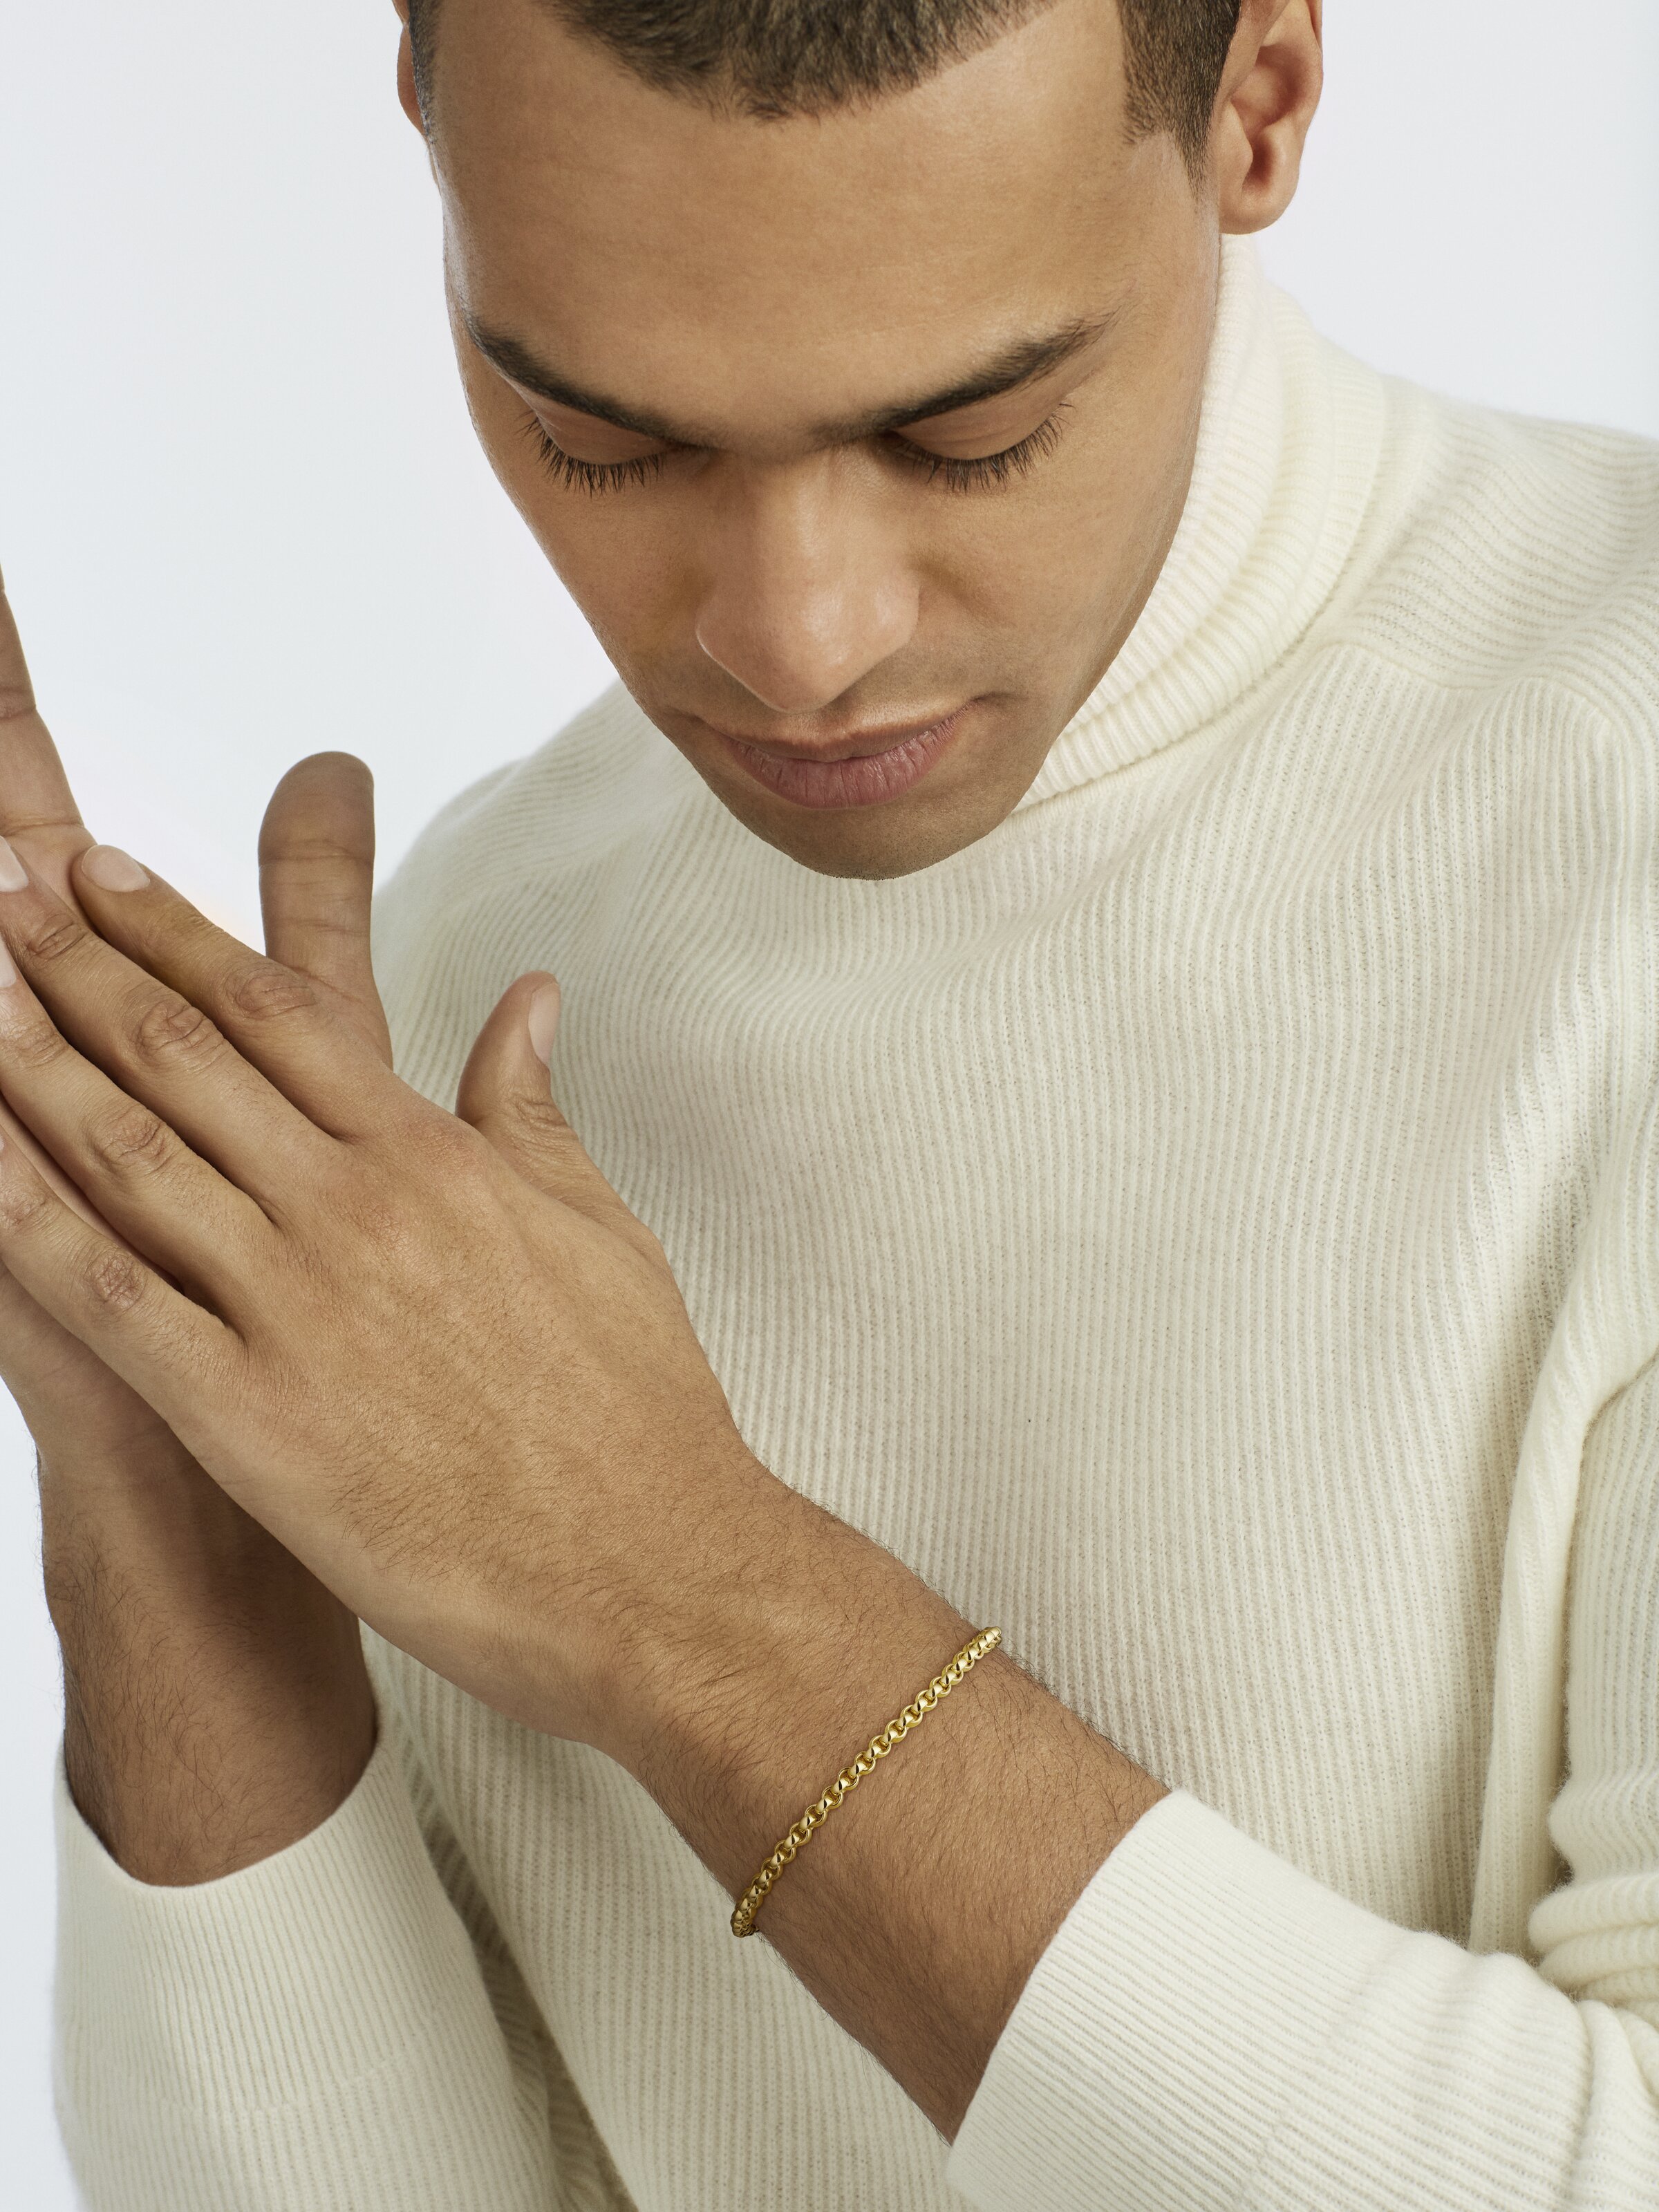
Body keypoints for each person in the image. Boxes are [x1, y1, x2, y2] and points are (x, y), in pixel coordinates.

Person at [2, 0, 1656, 2204]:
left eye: (970, 435)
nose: (797, 641)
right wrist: (164, 1494)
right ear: (425, 120)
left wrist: (679, 1592)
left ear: (1258, 100)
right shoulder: (456, 991)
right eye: (603, 440)